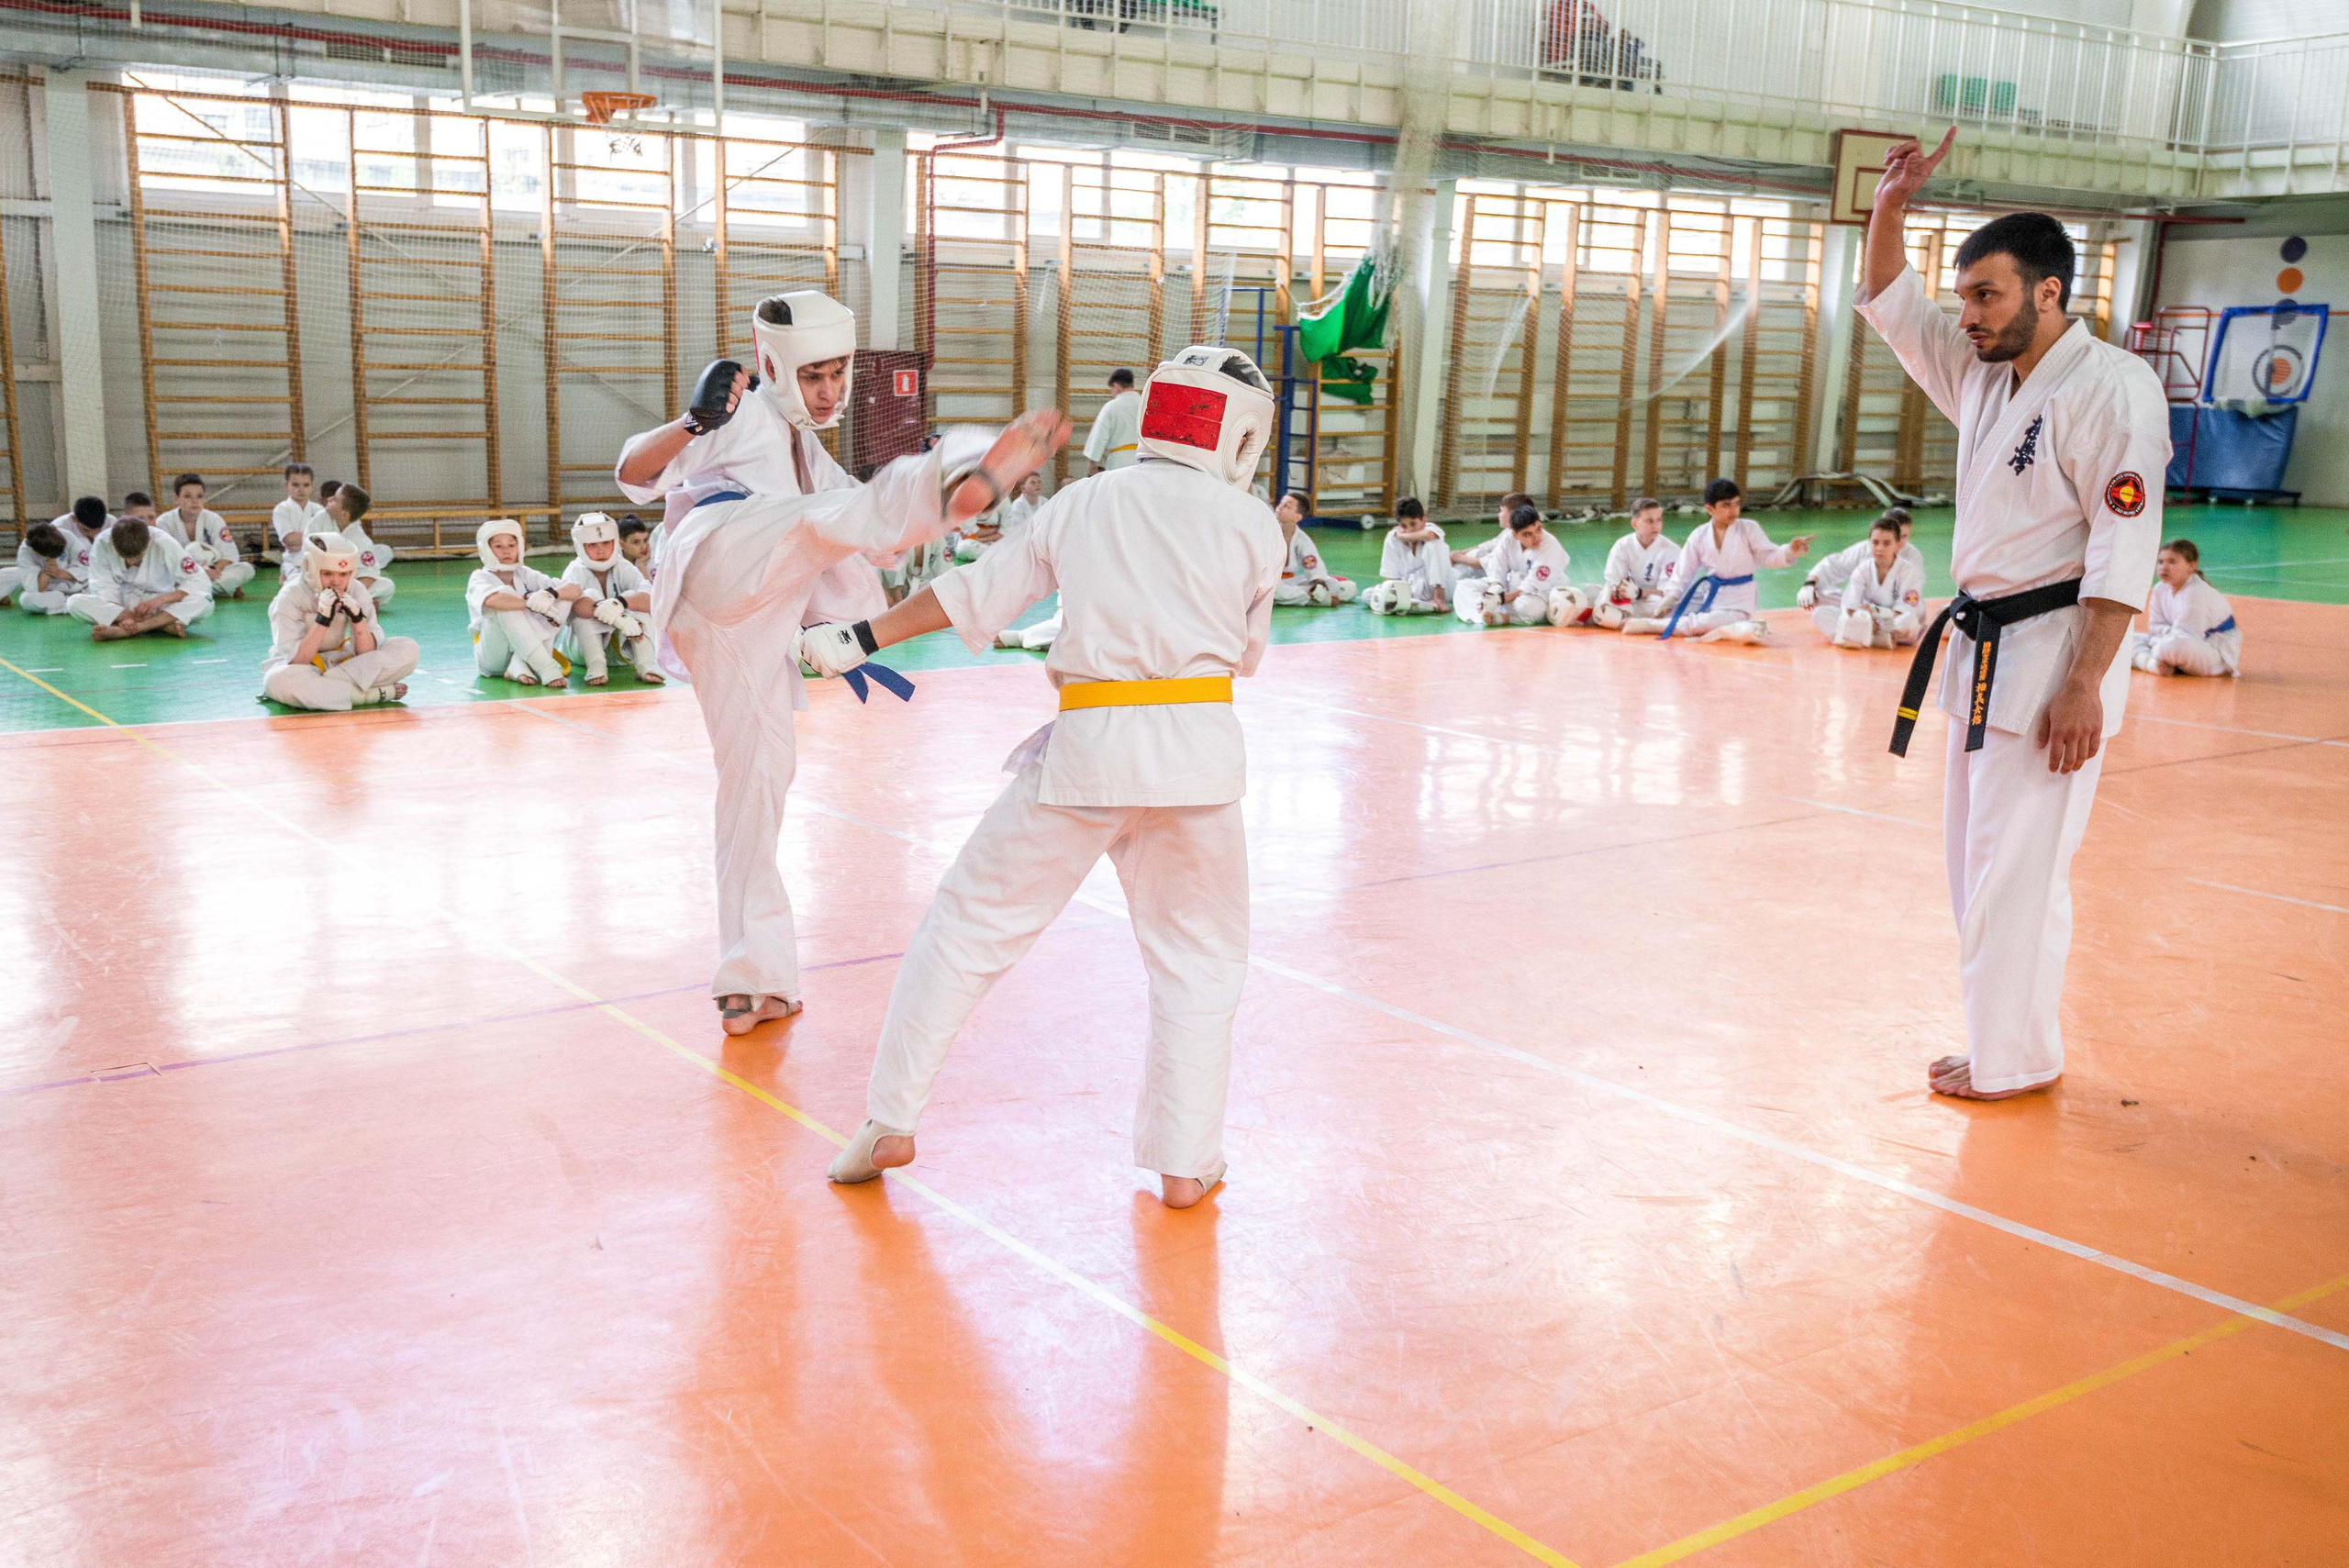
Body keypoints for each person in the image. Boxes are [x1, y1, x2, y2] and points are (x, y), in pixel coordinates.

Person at [805, 345, 1283, 1209]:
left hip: (1089, 750)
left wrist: (859, 638)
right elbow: (1244, 658)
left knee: (964, 926)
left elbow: (973, 593)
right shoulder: (1255, 528)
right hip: (1202, 760)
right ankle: (1186, 1161)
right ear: (1239, 436)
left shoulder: (1087, 498)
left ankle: (890, 1115)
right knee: (1201, 962)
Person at [621, 284, 1070, 1037]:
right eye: (813, 376)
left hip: (747, 624)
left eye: (838, 375)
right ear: (773, 363)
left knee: (755, 789)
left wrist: (878, 583)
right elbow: (635, 473)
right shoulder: (741, 414)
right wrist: (690, 421)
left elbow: (873, 528)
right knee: (839, 513)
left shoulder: (810, 453)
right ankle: (961, 467)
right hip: (719, 557)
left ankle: (750, 976)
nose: (827, 392)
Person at [1859, 130, 2168, 1100]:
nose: (1967, 316)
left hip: (2052, 662)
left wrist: (2084, 682)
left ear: (2047, 291)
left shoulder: (2113, 389)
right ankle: (2012, 1043)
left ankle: (2012, 1058)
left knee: (2016, 873)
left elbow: (2125, 546)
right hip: (1984, 651)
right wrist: (1889, 208)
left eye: (1985, 296)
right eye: (1965, 299)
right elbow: (1891, 309)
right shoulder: (1987, 373)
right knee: (1976, 866)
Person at [1622, 477, 1810, 642]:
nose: (1734, 511)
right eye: (1726, 505)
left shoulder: (1749, 528)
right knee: (1671, 605)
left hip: (1739, 602)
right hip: (1711, 595)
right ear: (1710, 509)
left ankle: (1650, 626)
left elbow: (1768, 557)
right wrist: (1670, 599)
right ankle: (1623, 615)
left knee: (1701, 624)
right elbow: (1683, 573)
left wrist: (1789, 551)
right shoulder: (1699, 535)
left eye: (1737, 504)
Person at [261, 535, 418, 711]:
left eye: (343, 574)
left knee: (407, 648)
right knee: (277, 680)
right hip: (304, 668)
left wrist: (357, 621)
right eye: (327, 573)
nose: (336, 581)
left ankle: (327, 690)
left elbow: (367, 653)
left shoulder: (356, 589)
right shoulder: (289, 596)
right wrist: (323, 620)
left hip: (343, 663)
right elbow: (298, 660)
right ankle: (374, 694)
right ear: (310, 568)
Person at [466, 517, 577, 685]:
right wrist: (530, 602)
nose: (506, 551)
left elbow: (574, 588)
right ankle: (546, 667)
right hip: (494, 656)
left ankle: (518, 665)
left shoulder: (525, 574)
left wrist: (549, 595)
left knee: (562, 599)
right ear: (485, 549)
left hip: (526, 651)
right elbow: (494, 600)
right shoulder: (479, 577)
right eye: (498, 546)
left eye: (512, 545)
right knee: (505, 598)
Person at [557, 512, 662, 685]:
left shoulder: (623, 566)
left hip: (622, 653)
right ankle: (596, 666)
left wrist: (620, 603)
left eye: (606, 543)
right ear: (580, 546)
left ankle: (645, 665)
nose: (601, 550)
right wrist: (620, 619)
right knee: (589, 597)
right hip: (581, 652)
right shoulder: (575, 570)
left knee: (636, 607)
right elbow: (579, 607)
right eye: (592, 545)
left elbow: (650, 599)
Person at [67, 517, 213, 640]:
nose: (130, 563)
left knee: (205, 601)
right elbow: (103, 586)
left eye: (137, 558)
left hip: (161, 606)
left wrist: (160, 601)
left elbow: (198, 580)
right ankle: (160, 626)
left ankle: (128, 630)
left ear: (148, 542)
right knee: (74, 602)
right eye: (124, 558)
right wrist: (124, 616)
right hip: (121, 606)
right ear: (113, 543)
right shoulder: (103, 542)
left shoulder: (164, 542)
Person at [1555, 496, 1676, 628]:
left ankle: (1604, 617)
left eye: (1659, 520)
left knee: (1662, 606)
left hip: (1651, 601)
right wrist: (1619, 590)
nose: (1656, 525)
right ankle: (1613, 617)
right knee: (1590, 591)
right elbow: (1613, 583)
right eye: (1649, 521)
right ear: (1635, 524)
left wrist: (1639, 593)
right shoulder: (1622, 545)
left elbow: (1669, 593)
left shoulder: (1671, 551)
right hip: (1626, 601)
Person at [2132, 539, 2240, 677]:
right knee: (2125, 637)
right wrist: (2163, 636)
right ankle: (2153, 665)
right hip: (2168, 642)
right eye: (2161, 562)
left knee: (2173, 645)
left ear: (2191, 566)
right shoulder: (2160, 589)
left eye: (2172, 562)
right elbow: (2154, 627)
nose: (2164, 567)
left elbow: (2186, 635)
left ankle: (2147, 660)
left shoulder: (2196, 592)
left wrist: (2160, 639)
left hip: (2213, 654)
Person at [1820, 517, 1927, 648]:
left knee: (1907, 622)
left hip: (1892, 622)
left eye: (1886, 543)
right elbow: (1850, 605)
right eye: (1875, 542)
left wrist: (1876, 614)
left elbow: (1906, 608)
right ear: (1869, 543)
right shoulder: (1862, 570)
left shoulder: (1909, 572)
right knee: (1821, 613)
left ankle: (1858, 637)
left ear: (1898, 545)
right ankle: (1874, 638)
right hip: (1867, 621)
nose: (1879, 548)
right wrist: (1863, 616)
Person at [1456, 502, 1568, 626]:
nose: (1536, 537)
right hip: (1510, 587)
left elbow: (1532, 584)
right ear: (1515, 534)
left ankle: (1505, 618)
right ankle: (1482, 615)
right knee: (1464, 586)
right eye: (1527, 534)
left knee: (1529, 608)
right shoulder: (1508, 540)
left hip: (1541, 592)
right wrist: (1493, 591)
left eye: (1538, 529)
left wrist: (1500, 599)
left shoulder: (1550, 545)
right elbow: (1497, 567)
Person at [1800, 506, 1923, 614]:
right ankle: (1862, 622)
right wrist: (1809, 585)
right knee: (1818, 594)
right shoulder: (1865, 549)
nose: (1900, 542)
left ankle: (1864, 624)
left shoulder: (1912, 556)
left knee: (1910, 614)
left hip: (1893, 611)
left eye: (1904, 536)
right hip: (1863, 606)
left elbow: (1910, 596)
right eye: (1896, 535)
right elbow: (1832, 565)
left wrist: (1882, 612)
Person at [162, 473, 253, 600]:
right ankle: (210, 590)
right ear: (176, 498)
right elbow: (165, 560)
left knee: (246, 569)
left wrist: (213, 570)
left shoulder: (214, 519)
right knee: (192, 549)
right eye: (187, 496)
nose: (195, 501)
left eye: (199, 496)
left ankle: (190, 593)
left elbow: (230, 555)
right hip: (181, 575)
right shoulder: (164, 522)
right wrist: (199, 572)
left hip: (211, 573)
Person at [1364, 495, 1452, 616]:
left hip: (1434, 587)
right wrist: (1393, 595)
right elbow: (1391, 577)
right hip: (1408, 589)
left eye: (1413, 524)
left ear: (1423, 521)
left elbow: (1429, 535)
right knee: (1368, 595)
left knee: (1436, 544)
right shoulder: (1392, 538)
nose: (1409, 530)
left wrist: (1402, 536)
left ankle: (1439, 599)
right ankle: (1417, 605)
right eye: (1404, 526)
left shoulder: (1430, 530)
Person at [1272, 491, 1357, 606]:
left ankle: (1308, 597)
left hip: (1288, 583)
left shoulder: (1302, 539)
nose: (1280, 507)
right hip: (1266, 582)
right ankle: (1314, 600)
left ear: (1297, 517)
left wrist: (1319, 586)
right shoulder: (1265, 530)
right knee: (1274, 590)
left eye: (1287, 506)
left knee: (1349, 589)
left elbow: (1314, 567)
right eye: (1281, 503)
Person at [324, 482, 394, 609]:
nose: (329, 499)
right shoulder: (322, 521)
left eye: (335, 499)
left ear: (345, 514)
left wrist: (348, 592)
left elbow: (369, 574)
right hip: (323, 580)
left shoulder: (361, 540)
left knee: (387, 585)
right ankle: (360, 605)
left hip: (347, 585)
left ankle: (349, 603)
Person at [1452, 492, 1534, 581]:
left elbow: (1489, 562)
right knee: (1475, 553)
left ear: (1513, 514)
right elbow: (1488, 545)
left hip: (1512, 580)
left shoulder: (1517, 537)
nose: (1499, 515)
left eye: (1502, 511)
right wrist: (1461, 553)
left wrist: (1458, 557)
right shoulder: (1509, 531)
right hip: (1505, 576)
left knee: (1476, 555)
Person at [1082, 367, 1144, 475]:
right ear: (1132, 385)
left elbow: (1099, 436)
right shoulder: (1145, 404)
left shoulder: (1111, 407)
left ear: (1116, 386)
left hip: (1119, 462)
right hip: (1143, 460)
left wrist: (1092, 463)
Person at [272, 462, 327, 581]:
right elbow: (289, 540)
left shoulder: (320, 510)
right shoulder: (281, 509)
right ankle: (285, 576)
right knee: (299, 586)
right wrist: (316, 538)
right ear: (286, 485)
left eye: (306, 485)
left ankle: (284, 579)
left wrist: (299, 543)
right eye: (295, 485)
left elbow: (328, 539)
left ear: (312, 487)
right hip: (293, 561)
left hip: (318, 561)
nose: (301, 489)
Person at [12, 523, 73, 615]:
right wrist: (47, 572)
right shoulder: (25, 552)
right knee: (26, 599)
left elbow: (84, 569)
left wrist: (60, 574)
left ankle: (70, 604)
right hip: (52, 594)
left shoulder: (67, 537)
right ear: (35, 551)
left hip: (76, 588)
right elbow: (35, 590)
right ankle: (70, 605)